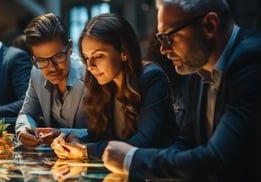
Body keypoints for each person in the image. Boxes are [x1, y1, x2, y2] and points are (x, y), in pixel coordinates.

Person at [102, 0, 261, 181]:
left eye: (169, 37)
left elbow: (218, 160)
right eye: (161, 38)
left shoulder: (252, 60)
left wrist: (132, 158)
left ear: (209, 25)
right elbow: (186, 142)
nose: (163, 49)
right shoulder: (198, 66)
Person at [50, 13, 178, 160]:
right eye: (86, 57)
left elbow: (141, 142)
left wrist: (85, 150)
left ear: (123, 52)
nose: (90, 66)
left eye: (98, 56)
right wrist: (70, 142)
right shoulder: (105, 85)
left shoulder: (152, 77)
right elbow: (98, 136)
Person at [14, 13, 88, 148]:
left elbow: (102, 133)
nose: (52, 68)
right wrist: (24, 131)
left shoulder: (90, 75)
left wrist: (62, 134)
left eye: (58, 56)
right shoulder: (37, 71)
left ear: (70, 47)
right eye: (42, 60)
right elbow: (27, 112)